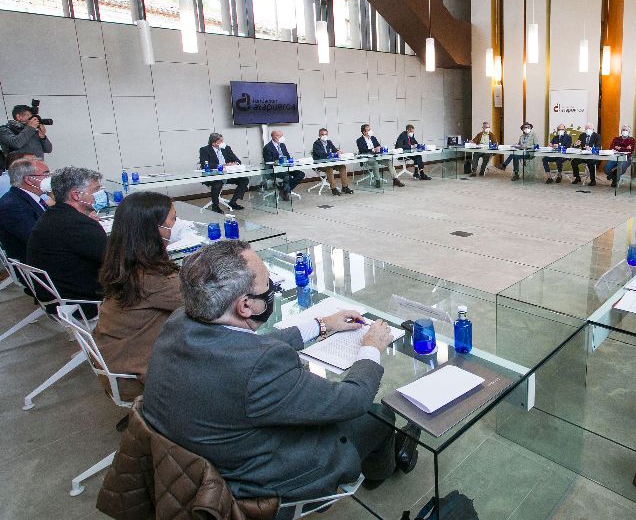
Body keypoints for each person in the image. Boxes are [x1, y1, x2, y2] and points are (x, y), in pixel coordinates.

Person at [142, 241, 417, 507]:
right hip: (254, 482)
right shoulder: (259, 366)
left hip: (194, 461)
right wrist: (371, 348)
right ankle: (381, 471)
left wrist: (323, 324)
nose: (272, 289)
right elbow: (352, 400)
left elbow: (243, 345)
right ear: (245, 306)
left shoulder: (181, 320)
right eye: (268, 286)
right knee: (378, 414)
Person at [93, 192, 183, 401]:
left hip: (117, 360)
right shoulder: (153, 279)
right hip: (135, 378)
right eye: (174, 219)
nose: (177, 225)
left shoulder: (124, 260)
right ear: (155, 229)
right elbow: (207, 303)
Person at [26, 167, 107, 315]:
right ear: (76, 195)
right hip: (84, 304)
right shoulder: (77, 225)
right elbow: (118, 259)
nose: (100, 194)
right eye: (95, 190)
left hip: (61, 299)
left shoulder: (54, 215)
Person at [0, 158, 50, 262]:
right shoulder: (13, 206)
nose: (49, 178)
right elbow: (38, 241)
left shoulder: (31, 197)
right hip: (40, 265)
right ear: (28, 179)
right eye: (46, 174)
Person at [198, 133, 249, 213]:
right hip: (213, 176)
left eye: (222, 140)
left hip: (227, 175)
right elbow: (205, 164)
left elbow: (238, 160)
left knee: (244, 180)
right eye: (220, 141)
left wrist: (234, 163)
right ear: (214, 143)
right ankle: (215, 206)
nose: (223, 142)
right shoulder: (204, 150)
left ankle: (233, 202)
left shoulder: (226, 148)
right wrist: (222, 165)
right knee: (218, 182)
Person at [262, 131, 305, 201]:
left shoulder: (282, 145)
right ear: (274, 136)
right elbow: (268, 162)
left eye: (282, 136)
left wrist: (291, 161)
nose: (282, 138)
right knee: (286, 176)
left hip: (286, 167)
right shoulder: (267, 147)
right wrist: (279, 162)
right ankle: (285, 191)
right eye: (280, 136)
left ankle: (283, 190)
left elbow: (288, 157)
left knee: (301, 174)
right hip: (274, 169)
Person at [311, 128, 353, 195]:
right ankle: (333, 189)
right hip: (321, 164)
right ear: (319, 135)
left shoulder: (329, 142)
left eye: (325, 134)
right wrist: (332, 154)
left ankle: (345, 187)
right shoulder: (316, 144)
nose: (324, 136)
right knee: (329, 169)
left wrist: (338, 151)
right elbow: (321, 154)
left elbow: (334, 149)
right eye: (322, 134)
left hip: (330, 163)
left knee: (342, 167)